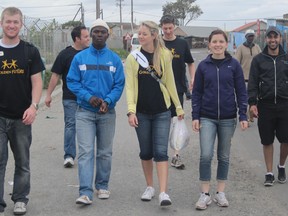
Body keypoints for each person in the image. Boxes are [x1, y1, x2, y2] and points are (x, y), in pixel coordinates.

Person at [125, 20, 184, 207]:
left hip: (162, 112)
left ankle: (163, 192)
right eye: (139, 34)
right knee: (146, 152)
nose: (140, 36)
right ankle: (149, 186)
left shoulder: (165, 55)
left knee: (160, 152)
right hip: (141, 112)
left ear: (153, 35)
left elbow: (170, 82)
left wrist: (178, 107)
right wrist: (130, 111)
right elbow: (130, 88)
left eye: (144, 33)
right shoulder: (133, 58)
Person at [67, 18, 125, 205]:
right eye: (96, 31)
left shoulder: (114, 59)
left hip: (107, 113)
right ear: (91, 34)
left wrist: (108, 101)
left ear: (107, 34)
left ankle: (102, 186)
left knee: (105, 152)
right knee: (85, 152)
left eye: (103, 31)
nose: (99, 34)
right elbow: (72, 81)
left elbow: (119, 84)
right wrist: (87, 97)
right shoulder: (80, 58)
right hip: (84, 112)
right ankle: (85, 192)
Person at [192, 29, 248, 210]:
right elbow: (197, 93)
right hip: (207, 117)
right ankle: (205, 194)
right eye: (214, 41)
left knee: (224, 156)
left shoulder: (234, 65)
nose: (217, 44)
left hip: (228, 117)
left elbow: (241, 91)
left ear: (226, 43)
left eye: (220, 41)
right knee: (206, 155)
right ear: (209, 44)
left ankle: (220, 193)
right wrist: (195, 116)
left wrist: (243, 115)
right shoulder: (203, 66)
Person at [0, 7, 45, 215]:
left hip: (22, 118)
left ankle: (20, 199)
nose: (11, 25)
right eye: (8, 21)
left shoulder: (29, 51)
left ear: (21, 24)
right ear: (2, 23)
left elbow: (37, 81)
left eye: (15, 22)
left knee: (22, 162)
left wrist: (34, 106)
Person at [248, 26, 288, 187]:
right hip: (265, 105)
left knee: (286, 139)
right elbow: (252, 83)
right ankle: (269, 172)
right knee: (267, 140)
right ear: (266, 39)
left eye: (275, 37)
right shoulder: (258, 60)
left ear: (280, 39)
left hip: (285, 104)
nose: (273, 40)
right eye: (270, 37)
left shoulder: (286, 58)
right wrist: (252, 103)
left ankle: (281, 166)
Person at [45, 26, 90, 168]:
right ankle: (69, 155)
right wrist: (48, 95)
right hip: (70, 97)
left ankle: (87, 154)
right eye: (86, 37)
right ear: (77, 38)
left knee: (88, 126)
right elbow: (55, 75)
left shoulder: (91, 53)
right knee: (71, 125)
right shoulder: (65, 55)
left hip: (89, 98)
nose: (89, 39)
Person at [160, 14, 195, 169]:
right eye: (165, 28)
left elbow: (191, 62)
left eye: (170, 27)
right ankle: (160, 154)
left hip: (178, 88)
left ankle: (176, 155)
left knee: (177, 121)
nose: (168, 31)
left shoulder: (182, 43)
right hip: (160, 89)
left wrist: (192, 79)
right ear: (161, 27)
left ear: (174, 25)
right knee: (162, 121)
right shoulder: (157, 43)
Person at [235, 29, 261, 123]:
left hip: (255, 78)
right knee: (244, 99)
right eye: (249, 36)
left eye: (252, 36)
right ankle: (244, 117)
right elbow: (236, 63)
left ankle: (251, 117)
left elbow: (261, 60)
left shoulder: (257, 47)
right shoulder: (240, 48)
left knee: (253, 98)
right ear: (246, 37)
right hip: (244, 78)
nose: (251, 37)